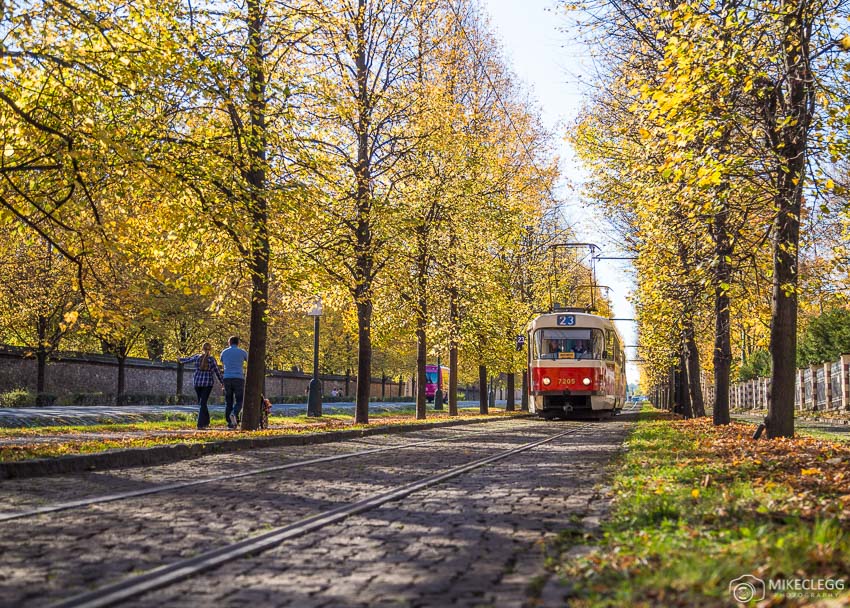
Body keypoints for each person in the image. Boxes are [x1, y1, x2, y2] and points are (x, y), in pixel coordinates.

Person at [179, 342, 224, 430]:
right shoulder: (212, 360)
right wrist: (222, 382)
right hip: (207, 383)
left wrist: (179, 358)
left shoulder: (197, 357)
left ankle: (206, 422)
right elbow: (217, 371)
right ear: (210, 350)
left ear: (202, 349)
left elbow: (186, 360)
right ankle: (200, 424)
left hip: (197, 383)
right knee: (203, 403)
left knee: (202, 403)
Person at [220, 336, 248, 429]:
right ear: (238, 343)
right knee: (240, 400)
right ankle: (234, 413)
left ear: (229, 342)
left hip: (227, 378)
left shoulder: (224, 352)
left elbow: (222, 362)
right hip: (238, 378)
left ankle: (230, 423)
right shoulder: (242, 352)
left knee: (228, 401)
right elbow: (249, 360)